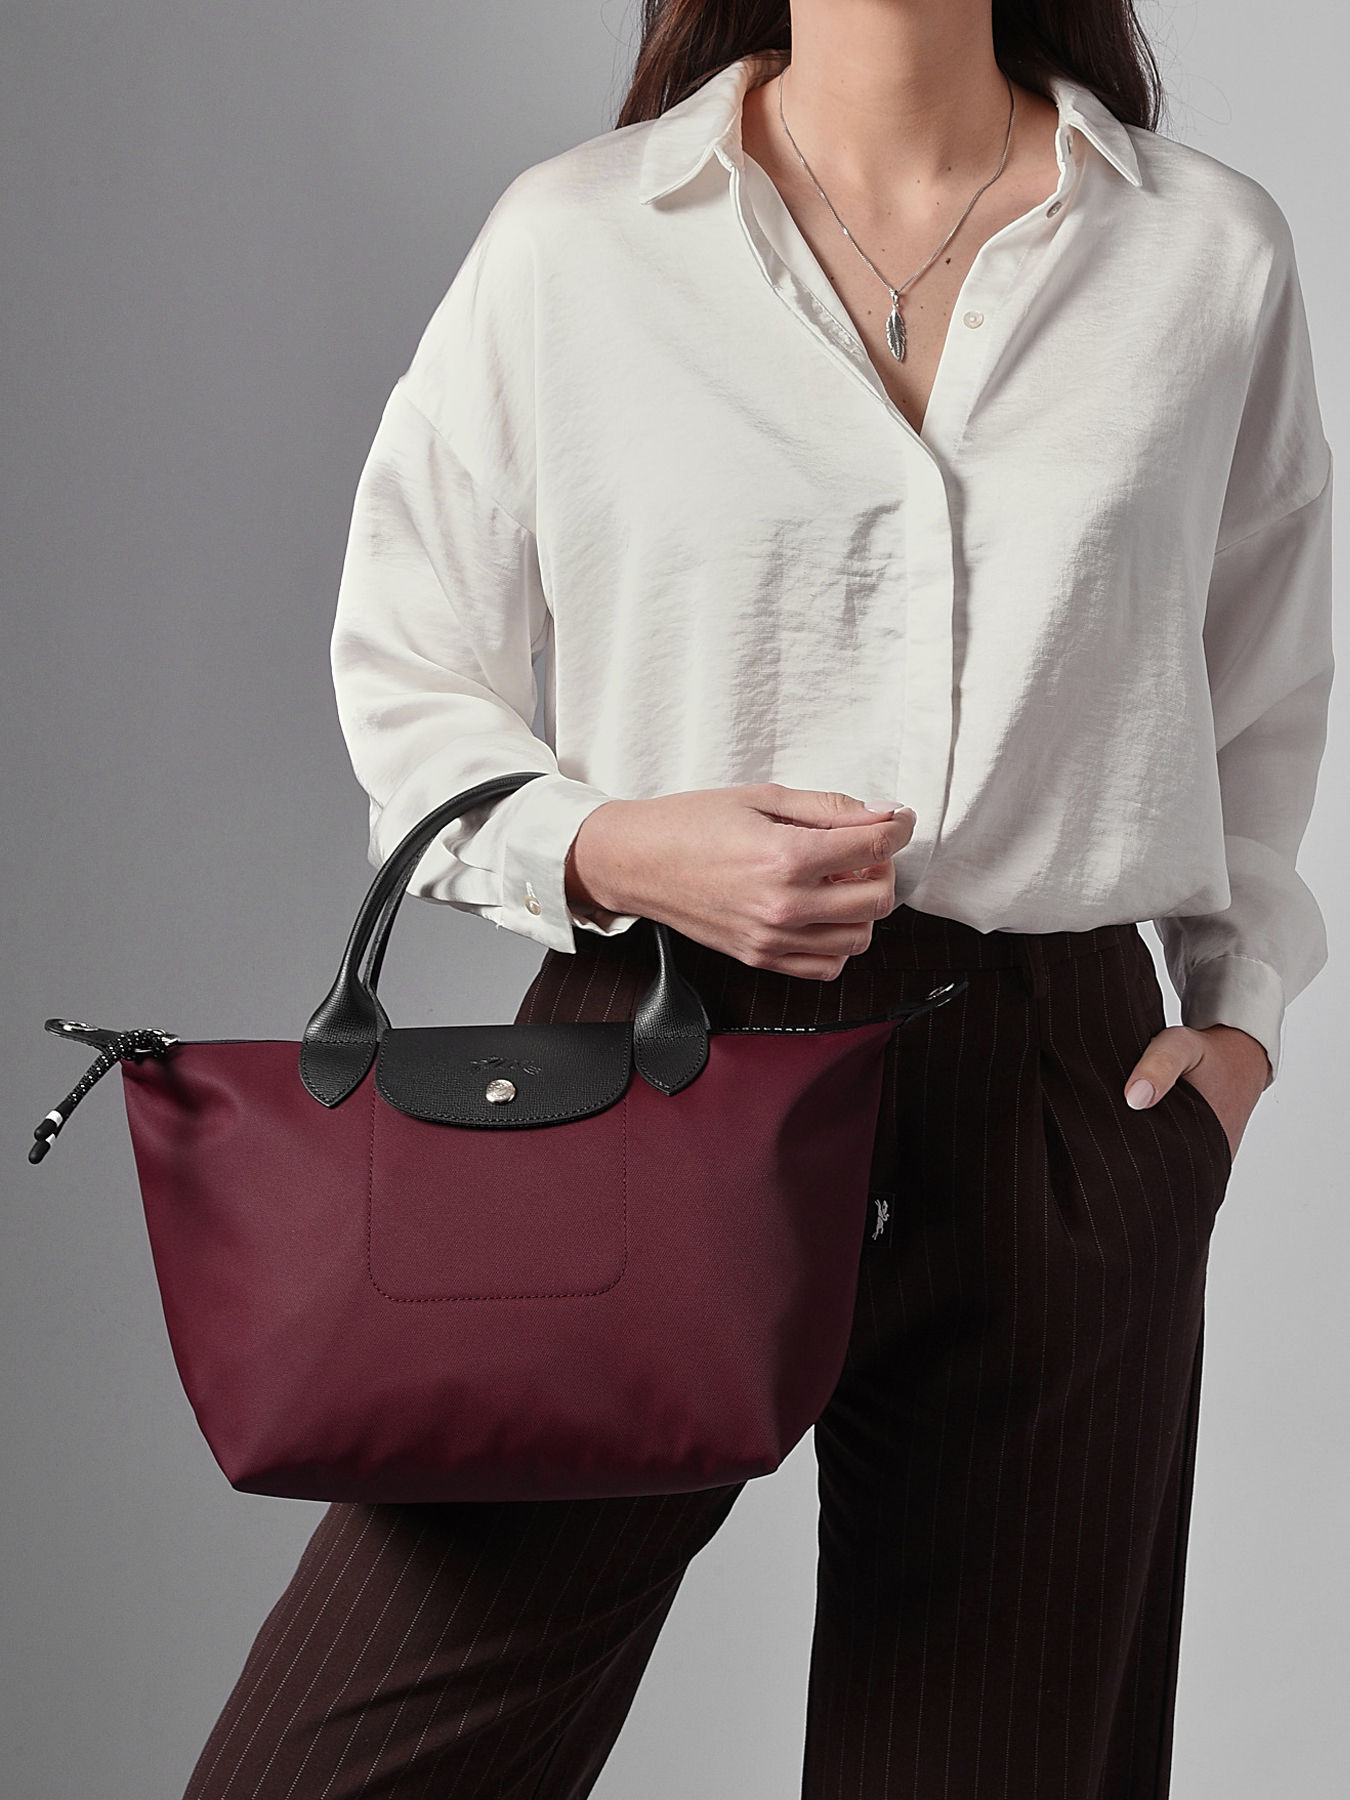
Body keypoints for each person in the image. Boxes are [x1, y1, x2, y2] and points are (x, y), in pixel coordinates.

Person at [181, 1, 1334, 1795]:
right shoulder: (577, 242)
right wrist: (610, 846)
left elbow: (1260, 686)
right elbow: (408, 674)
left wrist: (1236, 1026)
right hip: (665, 1053)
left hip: (1059, 1090)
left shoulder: (1203, 250)